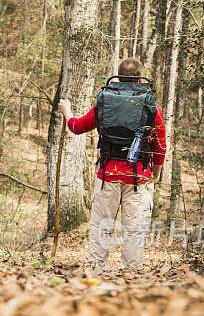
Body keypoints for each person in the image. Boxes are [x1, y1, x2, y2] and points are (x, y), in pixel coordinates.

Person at [57, 57, 167, 272]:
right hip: (140, 178)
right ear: (139, 79)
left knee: (101, 228)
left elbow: (78, 127)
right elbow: (160, 148)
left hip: (108, 175)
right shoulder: (150, 105)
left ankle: (95, 273)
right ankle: (132, 277)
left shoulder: (105, 101)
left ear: (119, 75)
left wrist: (66, 111)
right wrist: (152, 174)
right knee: (134, 231)